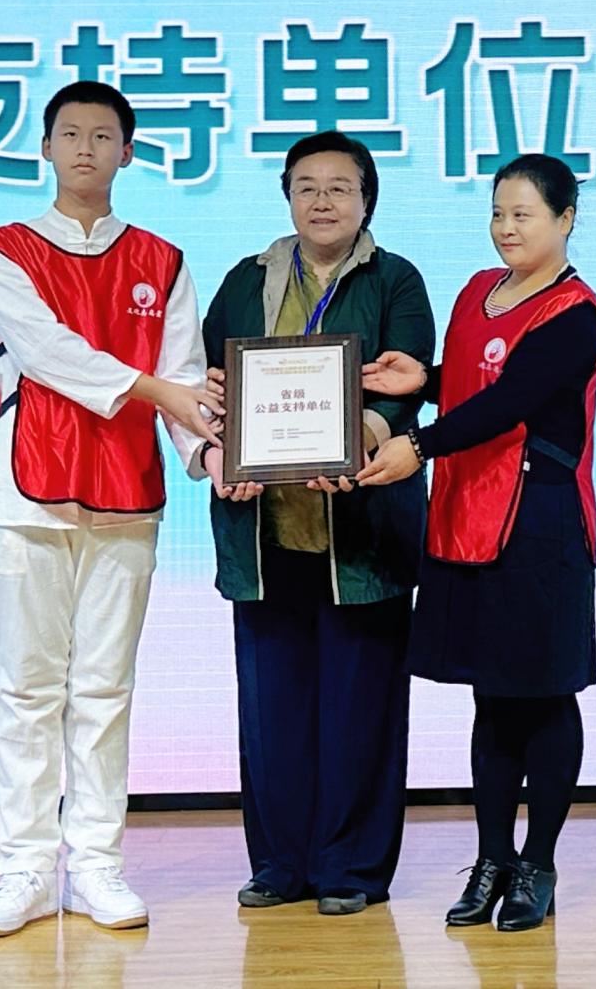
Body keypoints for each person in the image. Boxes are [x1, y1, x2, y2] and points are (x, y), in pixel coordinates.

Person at [0, 80, 222, 938]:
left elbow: (186, 377)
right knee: (28, 686)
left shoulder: (161, 259)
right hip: (27, 489)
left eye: (102, 135)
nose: (84, 148)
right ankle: (25, 869)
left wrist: (208, 455)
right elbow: (48, 354)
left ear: (127, 152)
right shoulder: (2, 250)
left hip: (125, 490)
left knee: (105, 686)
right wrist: (159, 392)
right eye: (69, 133)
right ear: (44, 147)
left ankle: (97, 864)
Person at [358, 153, 596, 933]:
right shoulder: (477, 289)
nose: (506, 227)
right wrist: (423, 380)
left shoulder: (575, 314)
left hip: (538, 522)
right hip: (469, 512)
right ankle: (491, 858)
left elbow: (513, 400)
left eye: (523, 214)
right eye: (498, 212)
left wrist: (417, 442)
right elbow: (475, 383)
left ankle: (537, 863)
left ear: (566, 219)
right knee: (491, 693)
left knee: (543, 691)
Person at [194, 131, 436, 915]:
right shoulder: (245, 279)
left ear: (367, 199)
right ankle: (279, 865)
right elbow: (210, 386)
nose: (322, 200)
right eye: (306, 186)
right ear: (287, 197)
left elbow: (409, 384)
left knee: (361, 710)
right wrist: (216, 450)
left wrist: (361, 433)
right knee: (272, 711)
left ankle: (351, 868)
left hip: (360, 530)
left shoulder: (394, 279)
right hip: (263, 531)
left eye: (339, 186)